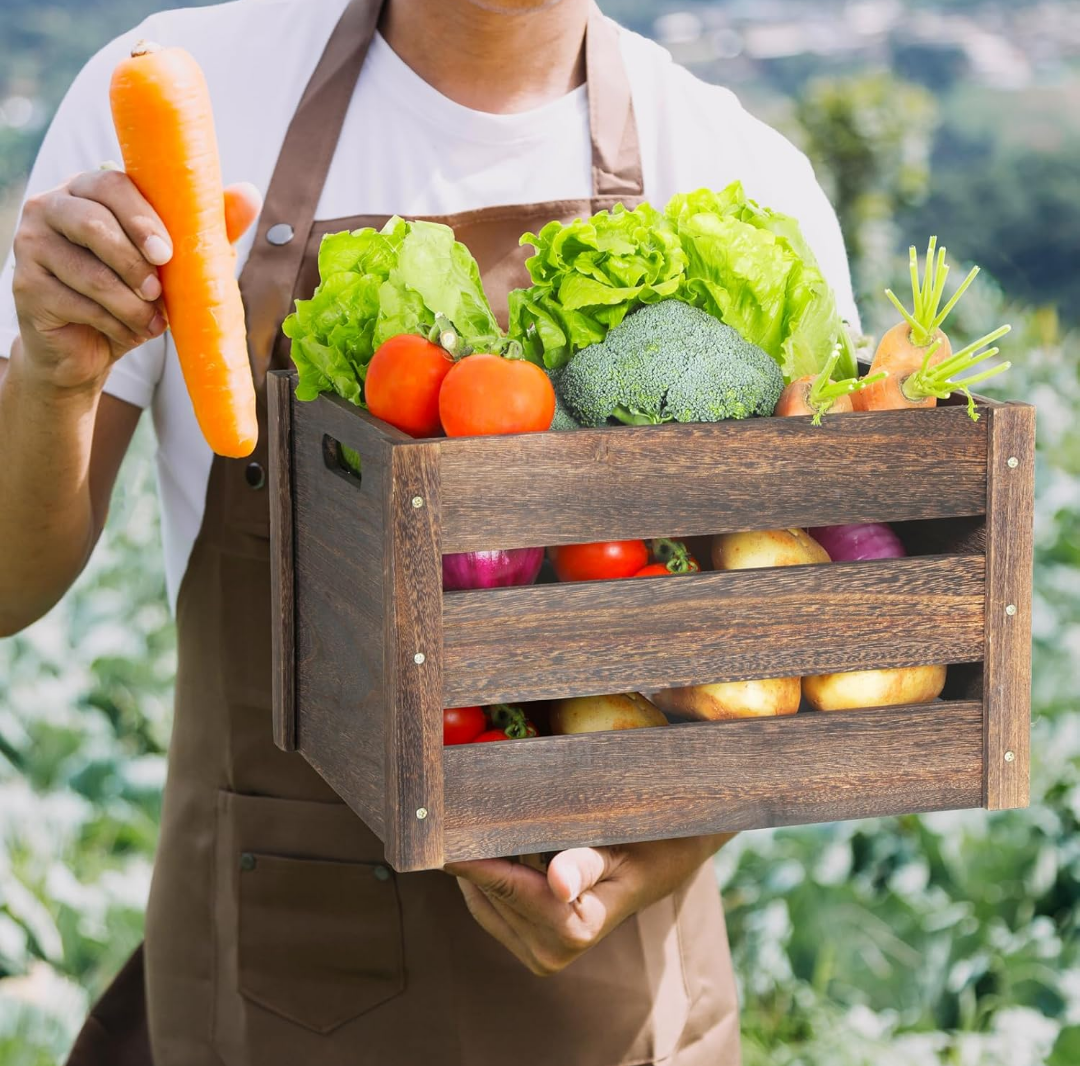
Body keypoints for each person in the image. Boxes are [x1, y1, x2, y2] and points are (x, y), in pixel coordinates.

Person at [0, 0, 858, 1063]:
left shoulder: (738, 172)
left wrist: (680, 837)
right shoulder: (180, 99)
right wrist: (52, 375)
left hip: (618, 1007)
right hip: (263, 995)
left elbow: (808, 658)